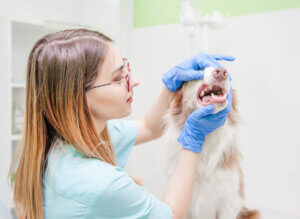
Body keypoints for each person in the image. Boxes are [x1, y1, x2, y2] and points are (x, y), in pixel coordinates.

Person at [10, 29, 234, 219]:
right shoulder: (101, 184)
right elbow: (172, 215)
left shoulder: (62, 143)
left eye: (126, 69)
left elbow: (148, 127)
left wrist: (170, 84)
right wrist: (194, 138)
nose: (134, 81)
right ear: (78, 99)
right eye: (119, 78)